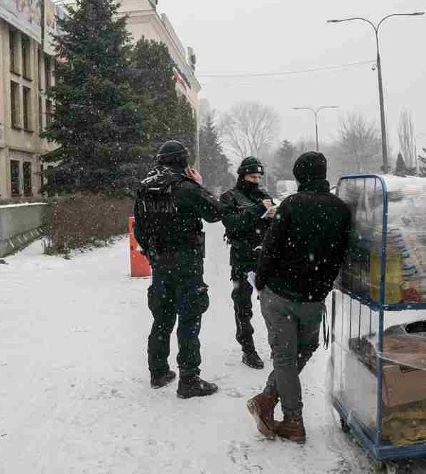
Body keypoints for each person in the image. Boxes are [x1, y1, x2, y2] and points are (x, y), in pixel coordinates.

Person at [246, 151, 352, 443]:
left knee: (285, 358)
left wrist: (261, 282)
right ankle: (268, 399)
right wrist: (324, 281)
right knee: (304, 350)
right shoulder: (341, 209)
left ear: (299, 177)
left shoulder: (291, 205)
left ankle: (292, 419)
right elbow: (342, 252)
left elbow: (270, 248)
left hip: (280, 293)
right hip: (314, 298)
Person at [134, 140, 227, 399]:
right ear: (183, 163)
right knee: (189, 317)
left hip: (160, 263)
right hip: (187, 262)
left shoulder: (144, 188)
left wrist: (153, 252)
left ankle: (158, 371)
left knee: (162, 317)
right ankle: (189, 380)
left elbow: (139, 228)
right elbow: (215, 212)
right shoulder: (186, 188)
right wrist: (198, 184)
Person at [220, 156, 276, 369]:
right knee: (243, 306)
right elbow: (232, 224)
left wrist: (274, 215)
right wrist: (257, 211)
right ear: (242, 175)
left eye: (259, 176)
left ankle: (276, 345)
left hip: (265, 258)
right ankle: (248, 349)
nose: (256, 180)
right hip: (242, 259)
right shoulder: (230, 197)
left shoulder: (264, 196)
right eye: (252, 176)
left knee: (272, 306)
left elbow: (275, 225)